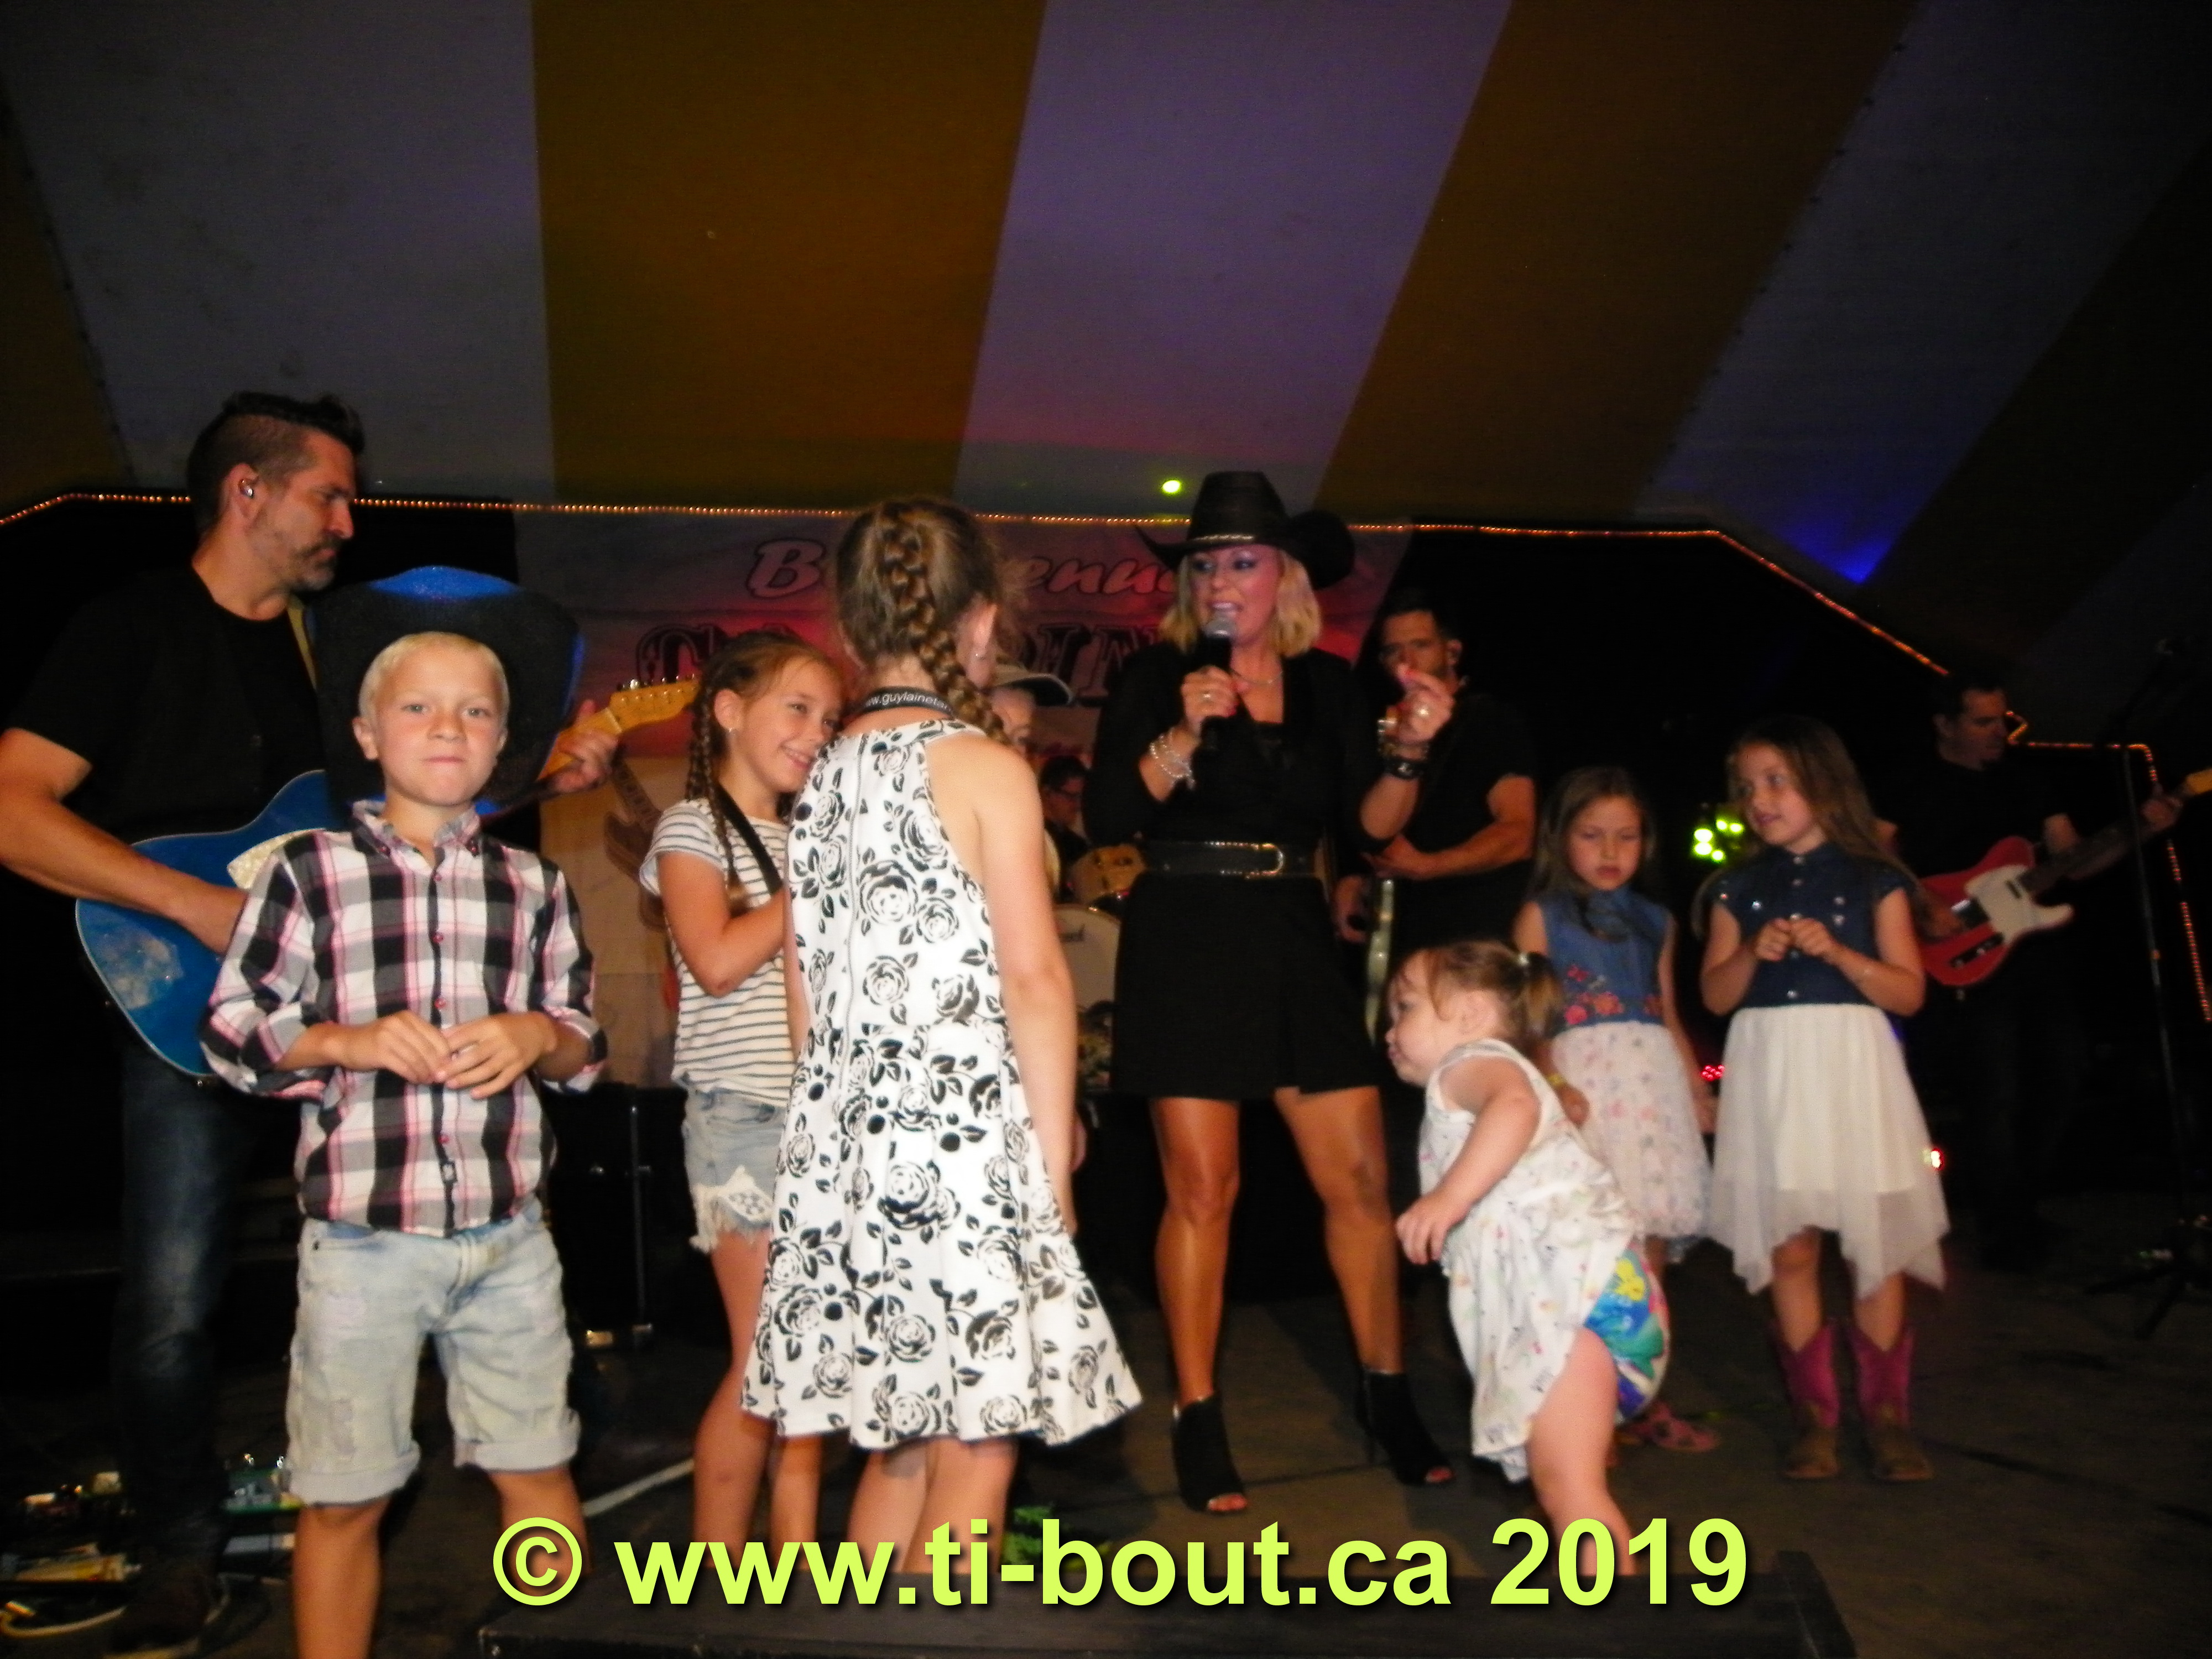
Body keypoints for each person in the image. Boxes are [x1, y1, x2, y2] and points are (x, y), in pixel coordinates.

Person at [0, 393, 612, 1657]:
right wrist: (193, 904)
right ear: (249, 492)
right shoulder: (130, 626)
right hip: (184, 989)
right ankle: (181, 1556)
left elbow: (398, 833)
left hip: (386, 1040)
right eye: (328, 494)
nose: (347, 520)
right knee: (173, 1300)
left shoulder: (324, 649)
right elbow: (12, 807)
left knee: (445, 1361)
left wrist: (539, 778)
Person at [744, 499, 1136, 1568]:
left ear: (848, 626)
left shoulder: (823, 777)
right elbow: (1036, 981)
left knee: (904, 1443)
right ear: (982, 622)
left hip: (850, 1145)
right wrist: (1049, 1160)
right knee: (981, 1444)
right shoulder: (983, 767)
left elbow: (803, 986)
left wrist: (830, 1149)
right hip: (964, 1149)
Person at [201, 622, 603, 1659]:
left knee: (538, 1471)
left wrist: (538, 1035)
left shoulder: (535, 886)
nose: (447, 728)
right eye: (418, 707)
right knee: (345, 1495)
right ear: (367, 733)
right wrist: (348, 1039)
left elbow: (583, 1041)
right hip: (362, 1245)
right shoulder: (308, 872)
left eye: (475, 711)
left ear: (504, 744)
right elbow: (234, 1028)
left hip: (509, 1239)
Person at [1087, 471, 1455, 1511]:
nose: (1221, 579)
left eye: (1242, 560)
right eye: (1207, 562)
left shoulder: (1330, 685)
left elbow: (1369, 827)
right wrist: (1178, 739)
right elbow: (1107, 818)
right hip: (1187, 935)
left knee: (1360, 1183)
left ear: (1283, 576)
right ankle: (1197, 1412)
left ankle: (1386, 1392)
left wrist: (1410, 754)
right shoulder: (1156, 677)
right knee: (1205, 1190)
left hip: (1292, 934)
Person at [1700, 715, 1945, 1483]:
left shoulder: (1876, 880)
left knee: (1874, 1244)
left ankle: (1887, 1417)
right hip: (1773, 1072)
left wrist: (1840, 955)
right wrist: (1752, 950)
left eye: (1777, 781)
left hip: (1851, 1070)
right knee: (1791, 1243)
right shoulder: (1735, 888)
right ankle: (1816, 1417)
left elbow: (1909, 993)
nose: (1759, 800)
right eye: (1748, 787)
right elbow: (1715, 996)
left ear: (1823, 782)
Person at [639, 631, 840, 1550]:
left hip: (820, 1120)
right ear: (727, 710)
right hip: (743, 1117)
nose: (816, 732)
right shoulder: (692, 828)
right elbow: (716, 961)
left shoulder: (808, 838)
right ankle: (716, 1579)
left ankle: (792, 1560)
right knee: (768, 1355)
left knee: (810, 1356)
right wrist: (813, 884)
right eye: (797, 708)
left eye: (829, 718)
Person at [1878, 674, 2179, 1269]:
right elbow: (1875, 854)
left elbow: (2075, 861)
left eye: (2003, 720)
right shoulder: (1908, 781)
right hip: (1960, 951)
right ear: (1945, 725)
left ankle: (2020, 1207)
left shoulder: (2027, 782)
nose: (1999, 733)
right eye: (1983, 722)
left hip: (2034, 951)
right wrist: (1921, 901)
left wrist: (2141, 828)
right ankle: (2003, 1227)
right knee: (1993, 1092)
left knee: (2062, 1075)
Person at [1387, 940, 1658, 1574]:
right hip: (1600, 1297)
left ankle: (1620, 1618)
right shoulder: (1493, 1066)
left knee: (1573, 1495)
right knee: (1566, 1487)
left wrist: (1449, 1198)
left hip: (1569, 1302)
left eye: (1405, 1007)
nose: (1389, 1029)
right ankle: (1607, 1601)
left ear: (1472, 1013)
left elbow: (1514, 1107)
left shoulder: (1470, 1063)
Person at [1512, 766, 1717, 1454]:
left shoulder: (1656, 921)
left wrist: (1694, 1089)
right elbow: (1531, 1016)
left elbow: (1668, 1011)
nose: (1609, 851)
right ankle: (1583, 1404)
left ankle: (1643, 1397)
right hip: (1585, 1088)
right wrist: (1549, 1079)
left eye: (1626, 837)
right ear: (1560, 837)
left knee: (1647, 1250)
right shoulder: (1542, 915)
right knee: (1590, 1250)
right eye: (1592, 835)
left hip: (1650, 1091)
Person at [1340, 590, 1537, 956]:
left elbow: (1518, 832)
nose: (1407, 661)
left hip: (1472, 926)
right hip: (1402, 929)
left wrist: (1430, 866)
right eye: (1393, 650)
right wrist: (1356, 878)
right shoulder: (1378, 727)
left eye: (1421, 645)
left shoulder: (1489, 719)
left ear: (1452, 652)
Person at [1038, 754, 1090, 900]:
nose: (1078, 805)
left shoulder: (1078, 845)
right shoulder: (1034, 839)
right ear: (1047, 793)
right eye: (1071, 797)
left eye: (1081, 797)